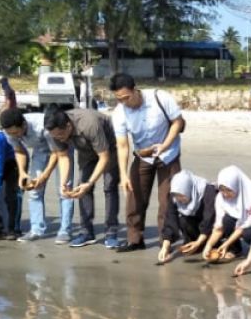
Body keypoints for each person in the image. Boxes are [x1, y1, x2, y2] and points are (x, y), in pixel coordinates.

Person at [110, 73, 185, 252]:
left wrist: (165, 145)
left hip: (169, 154)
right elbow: (122, 145)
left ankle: (166, 240)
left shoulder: (160, 97)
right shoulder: (119, 112)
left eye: (126, 97)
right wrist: (123, 175)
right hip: (143, 155)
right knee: (134, 197)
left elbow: (177, 122)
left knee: (167, 199)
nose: (124, 102)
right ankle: (135, 239)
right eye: (119, 99)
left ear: (135, 90)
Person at [44, 106, 120, 248]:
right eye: (55, 137)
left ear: (68, 126)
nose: (58, 139)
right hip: (85, 150)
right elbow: (63, 156)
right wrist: (63, 183)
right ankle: (86, 232)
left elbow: (104, 157)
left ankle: (111, 232)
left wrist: (90, 183)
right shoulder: (54, 131)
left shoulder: (88, 123)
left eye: (60, 135)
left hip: (109, 147)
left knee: (109, 186)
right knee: (81, 185)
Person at [0, 107, 75, 242]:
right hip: (40, 149)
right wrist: (22, 172)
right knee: (34, 190)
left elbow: (57, 153)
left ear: (24, 124)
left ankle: (65, 230)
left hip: (61, 148)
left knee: (64, 189)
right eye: (11, 133)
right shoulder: (9, 132)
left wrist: (45, 176)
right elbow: (19, 151)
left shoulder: (42, 126)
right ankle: (36, 229)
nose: (15, 136)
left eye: (16, 132)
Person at [157, 170, 218, 264]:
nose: (179, 199)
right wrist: (165, 246)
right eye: (176, 196)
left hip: (214, 225)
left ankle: (207, 243)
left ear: (188, 189)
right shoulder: (174, 194)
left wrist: (199, 242)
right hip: (196, 222)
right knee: (183, 219)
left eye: (182, 196)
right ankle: (193, 244)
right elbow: (170, 219)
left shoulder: (207, 190)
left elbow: (209, 218)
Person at [202, 165, 251, 262]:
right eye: (222, 190)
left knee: (248, 233)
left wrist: (226, 244)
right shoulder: (220, 198)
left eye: (228, 190)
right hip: (240, 221)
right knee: (227, 220)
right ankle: (236, 250)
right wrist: (208, 246)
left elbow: (244, 226)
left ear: (236, 185)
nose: (225, 194)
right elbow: (218, 228)